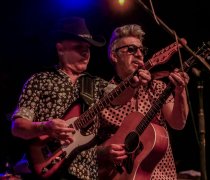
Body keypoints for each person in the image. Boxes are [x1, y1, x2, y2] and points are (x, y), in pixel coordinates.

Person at [10, 17, 151, 180]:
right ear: (60, 49)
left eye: (88, 48)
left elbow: (119, 98)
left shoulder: (96, 84)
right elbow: (18, 127)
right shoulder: (39, 80)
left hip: (86, 174)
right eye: (79, 47)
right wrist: (45, 127)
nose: (85, 52)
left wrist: (133, 84)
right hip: (44, 169)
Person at [96, 24, 190, 179]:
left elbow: (178, 123)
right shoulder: (103, 94)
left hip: (159, 175)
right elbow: (90, 144)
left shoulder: (157, 87)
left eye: (142, 50)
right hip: (118, 175)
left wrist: (180, 92)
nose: (139, 54)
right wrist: (106, 152)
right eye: (131, 49)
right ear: (114, 55)